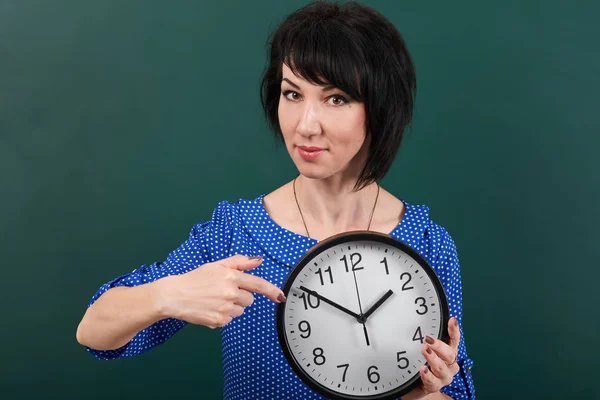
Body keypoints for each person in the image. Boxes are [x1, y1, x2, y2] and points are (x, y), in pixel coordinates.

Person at [76, 1, 475, 399]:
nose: (305, 125)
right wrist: (168, 295)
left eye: (336, 98)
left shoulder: (427, 245)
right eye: (292, 93)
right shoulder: (236, 232)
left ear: (381, 107)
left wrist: (424, 391)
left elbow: (455, 391)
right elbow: (93, 332)